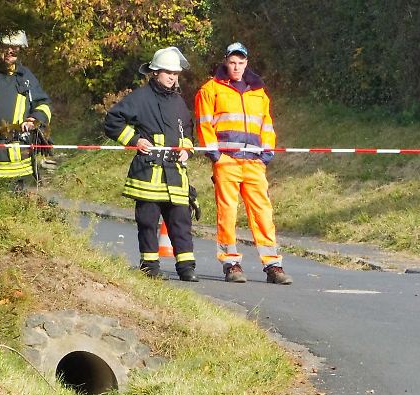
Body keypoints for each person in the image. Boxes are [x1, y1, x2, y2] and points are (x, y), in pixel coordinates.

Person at [194, 42, 290, 285]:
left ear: (246, 63)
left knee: (263, 213)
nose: (236, 67)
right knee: (227, 213)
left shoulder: (258, 92)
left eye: (241, 62)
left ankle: (272, 265)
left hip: (254, 162)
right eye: (233, 62)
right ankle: (231, 263)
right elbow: (204, 124)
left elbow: (266, 125)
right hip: (227, 161)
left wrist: (266, 152)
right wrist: (215, 155)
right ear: (226, 61)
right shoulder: (210, 89)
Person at [102, 47, 198, 281]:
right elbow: (112, 121)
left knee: (181, 221)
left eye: (175, 73)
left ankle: (186, 269)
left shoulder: (178, 101)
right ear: (155, 72)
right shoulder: (139, 97)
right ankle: (150, 267)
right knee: (147, 222)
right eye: (168, 72)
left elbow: (188, 130)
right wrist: (135, 140)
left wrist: (187, 149)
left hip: (175, 173)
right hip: (148, 172)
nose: (172, 77)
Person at [0, 31, 52, 189]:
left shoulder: (25, 77)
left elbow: (43, 104)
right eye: (6, 47)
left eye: (16, 47)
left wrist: (34, 119)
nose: (11, 51)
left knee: (16, 198)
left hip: (17, 155)